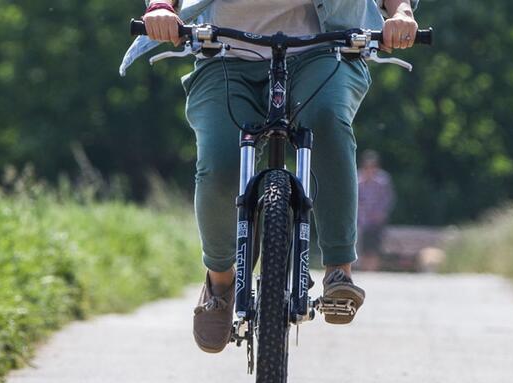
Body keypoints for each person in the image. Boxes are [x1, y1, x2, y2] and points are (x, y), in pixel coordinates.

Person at [124, 0, 419, 352]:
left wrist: (401, 12)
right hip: (224, 53)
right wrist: (161, 8)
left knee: (326, 120)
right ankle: (220, 283)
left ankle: (339, 268)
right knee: (220, 166)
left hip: (323, 52)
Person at [357, 150, 395, 271]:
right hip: (361, 220)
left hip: (377, 220)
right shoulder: (357, 179)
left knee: (375, 247)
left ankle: (372, 271)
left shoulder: (383, 180)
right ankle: (364, 270)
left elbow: (388, 199)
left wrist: (382, 213)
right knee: (362, 247)